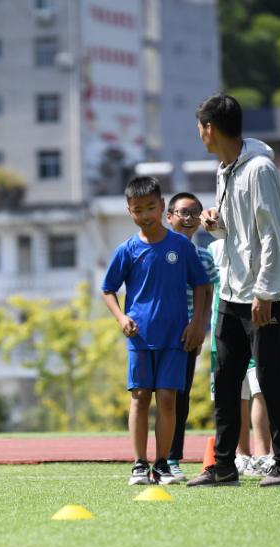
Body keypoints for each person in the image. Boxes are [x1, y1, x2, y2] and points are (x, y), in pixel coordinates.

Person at [191, 93, 280, 487]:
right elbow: (241, 231)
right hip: (233, 293)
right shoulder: (225, 169)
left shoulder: (260, 169)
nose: (199, 135)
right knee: (225, 377)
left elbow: (272, 236)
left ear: (210, 128)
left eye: (200, 128)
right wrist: (215, 224)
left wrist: (266, 292)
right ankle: (223, 466)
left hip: (262, 296)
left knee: (269, 379)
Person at [102, 176, 209, 486]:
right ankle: (139, 463)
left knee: (167, 399)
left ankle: (162, 464)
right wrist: (121, 318)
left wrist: (197, 324)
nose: (146, 214)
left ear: (163, 206)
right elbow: (108, 289)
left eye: (151, 207)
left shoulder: (180, 246)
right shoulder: (127, 249)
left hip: (175, 337)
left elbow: (201, 284)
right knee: (139, 397)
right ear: (129, 211)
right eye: (138, 209)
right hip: (139, 337)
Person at [206, 238, 273, 477]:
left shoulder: (256, 243)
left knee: (260, 390)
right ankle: (242, 455)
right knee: (235, 394)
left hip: (255, 324)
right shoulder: (213, 249)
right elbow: (207, 291)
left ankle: (264, 455)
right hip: (222, 330)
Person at [164, 192, 218, 481]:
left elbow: (207, 296)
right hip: (159, 335)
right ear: (169, 216)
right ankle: (150, 460)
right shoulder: (158, 251)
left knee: (180, 398)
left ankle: (172, 458)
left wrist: (199, 329)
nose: (187, 218)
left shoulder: (204, 257)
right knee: (155, 397)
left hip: (187, 337)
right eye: (182, 212)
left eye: (194, 213)